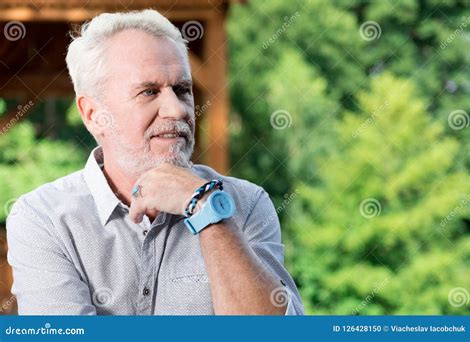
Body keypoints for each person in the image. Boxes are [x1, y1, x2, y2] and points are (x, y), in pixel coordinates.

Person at [6, 9, 304, 315]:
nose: (176, 110)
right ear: (93, 115)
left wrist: (206, 209)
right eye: (149, 92)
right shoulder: (42, 218)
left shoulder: (246, 204)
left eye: (182, 90)